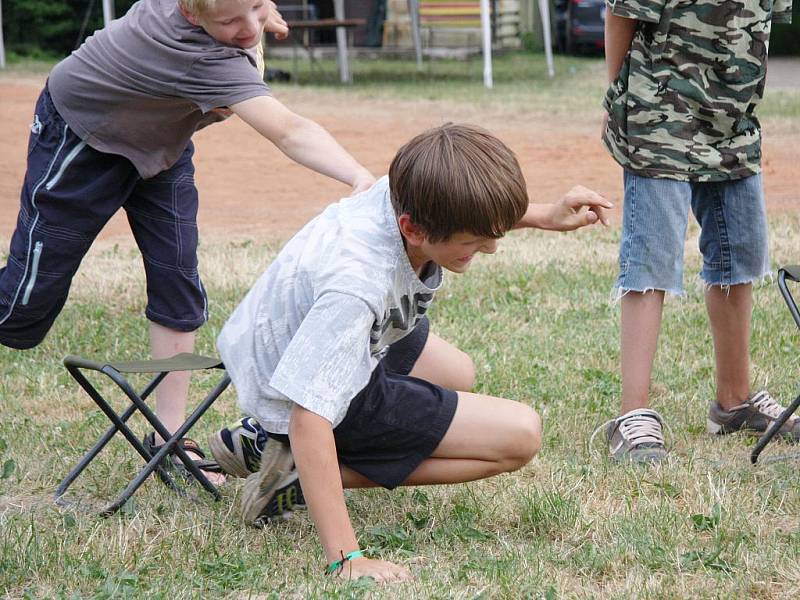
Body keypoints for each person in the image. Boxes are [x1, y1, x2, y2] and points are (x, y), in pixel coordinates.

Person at [211, 123, 612, 582]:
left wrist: (542, 215)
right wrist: (347, 558)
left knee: (457, 371)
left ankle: (263, 442)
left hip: (287, 343)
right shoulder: (357, 285)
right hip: (293, 384)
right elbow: (309, 415)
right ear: (412, 229)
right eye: (475, 240)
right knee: (521, 435)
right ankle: (289, 473)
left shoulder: (407, 188)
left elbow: (459, 211)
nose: (493, 248)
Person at [0, 0, 375, 481]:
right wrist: (359, 176)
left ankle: (168, 434)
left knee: (178, 279)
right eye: (231, 22)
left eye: (256, 8)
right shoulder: (201, 56)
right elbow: (289, 131)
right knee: (21, 310)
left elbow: (243, 11)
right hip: (85, 136)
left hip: (160, 143)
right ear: (192, 16)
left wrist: (261, 14)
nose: (247, 30)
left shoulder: (221, 13)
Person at [600, 0, 797, 462]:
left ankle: (734, 402)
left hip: (734, 125)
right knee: (653, 257)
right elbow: (620, 13)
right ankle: (634, 415)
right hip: (659, 115)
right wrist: (617, 96)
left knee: (740, 254)